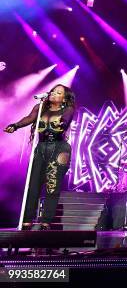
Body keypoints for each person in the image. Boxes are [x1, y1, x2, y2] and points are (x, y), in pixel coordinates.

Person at [4, 85, 76, 230]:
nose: (54, 93)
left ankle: (45, 222)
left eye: (58, 92)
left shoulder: (68, 109)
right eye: (53, 91)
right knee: (33, 185)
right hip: (42, 147)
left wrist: (60, 123)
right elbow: (29, 118)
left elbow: (64, 122)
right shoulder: (41, 107)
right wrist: (15, 125)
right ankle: (27, 221)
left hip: (59, 148)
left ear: (65, 98)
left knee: (52, 186)